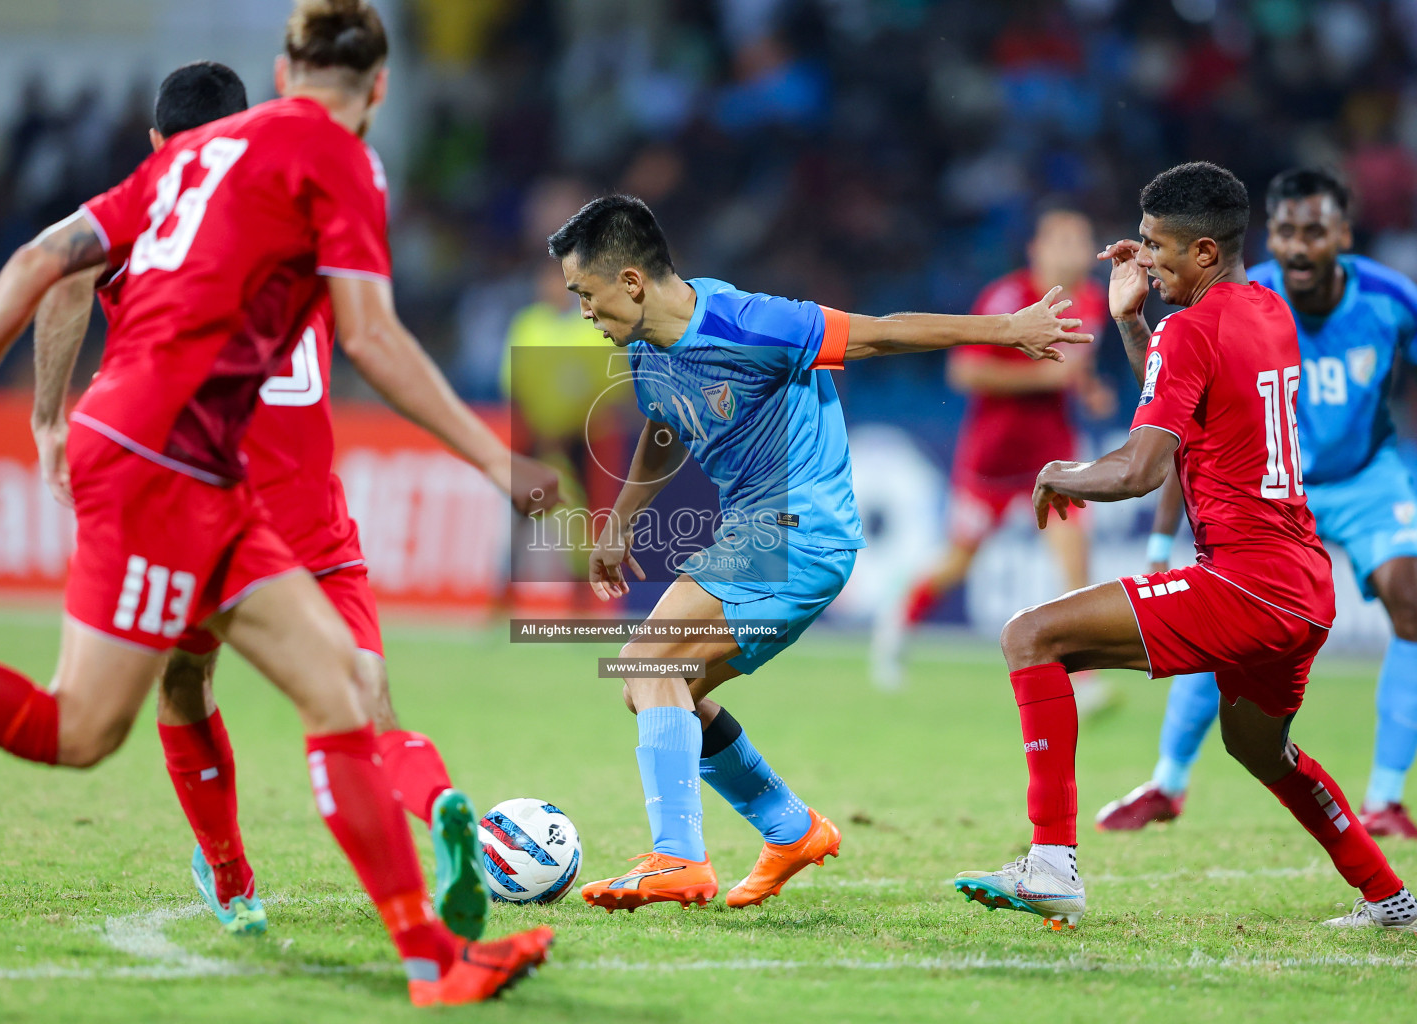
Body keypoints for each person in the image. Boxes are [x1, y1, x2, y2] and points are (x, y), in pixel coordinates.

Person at [0, 0, 560, 1006]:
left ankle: (433, 961)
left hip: (201, 467)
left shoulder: (192, 158)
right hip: (160, 461)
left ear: (285, 72)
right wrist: (495, 462)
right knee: (80, 729)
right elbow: (370, 340)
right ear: (378, 92)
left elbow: (42, 263)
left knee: (337, 690)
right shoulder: (342, 162)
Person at [30, 60, 487, 942]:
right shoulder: (307, 201)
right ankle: (438, 809)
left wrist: (47, 415)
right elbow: (373, 329)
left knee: (182, 678)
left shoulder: (161, 214)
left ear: (159, 145)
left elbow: (61, 273)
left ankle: (233, 879)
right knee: (364, 703)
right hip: (314, 514)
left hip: (205, 508)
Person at [544, 194, 1092, 912]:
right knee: (656, 687)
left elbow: (881, 334)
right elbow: (664, 421)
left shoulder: (751, 323)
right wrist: (620, 522)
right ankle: (790, 828)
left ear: (632, 283)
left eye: (584, 294)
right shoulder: (647, 347)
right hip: (766, 534)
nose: (583, 312)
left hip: (797, 532)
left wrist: (1006, 329)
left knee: (648, 665)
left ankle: (678, 858)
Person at [952, 161, 1414, 932]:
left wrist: (1066, 474)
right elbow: (1181, 402)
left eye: (1155, 246)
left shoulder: (1194, 328)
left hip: (1245, 582)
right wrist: (1133, 323)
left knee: (1030, 636)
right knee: (1262, 752)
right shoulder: (1267, 311)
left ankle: (1051, 865)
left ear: (1204, 252)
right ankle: (1389, 896)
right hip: (1302, 586)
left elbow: (1139, 468)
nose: (1141, 259)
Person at [1096, 168, 1417, 838]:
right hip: (1270, 484)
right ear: (1268, 234)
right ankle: (1168, 782)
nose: (1297, 248)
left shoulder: (1393, 300)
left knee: (1411, 600)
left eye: (1314, 231)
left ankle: (1384, 797)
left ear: (1343, 236)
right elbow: (1179, 422)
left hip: (1363, 476)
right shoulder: (1248, 297)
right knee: (1218, 614)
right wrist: (1160, 546)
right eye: (1285, 232)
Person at [870, 202, 1116, 703]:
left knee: (1074, 555)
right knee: (960, 561)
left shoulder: (1092, 299)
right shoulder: (1007, 298)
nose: (1074, 252)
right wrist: (1041, 378)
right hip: (993, 459)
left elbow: (1070, 365)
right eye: (1062, 240)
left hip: (1052, 453)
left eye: (1080, 241)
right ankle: (897, 618)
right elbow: (963, 373)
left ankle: (1083, 680)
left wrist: (1086, 387)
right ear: (1037, 250)